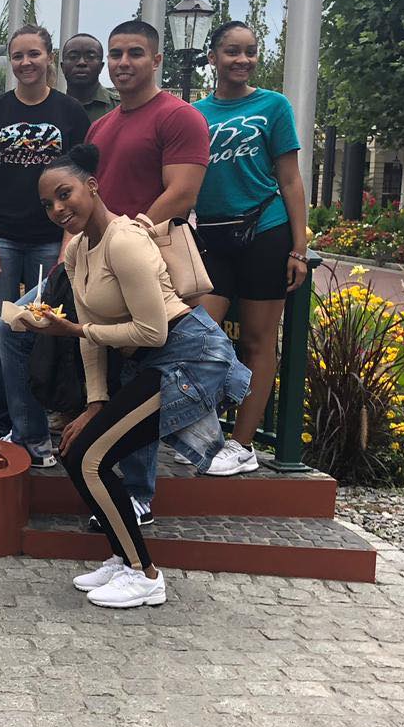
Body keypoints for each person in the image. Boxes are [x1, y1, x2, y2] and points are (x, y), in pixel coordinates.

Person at [26, 144, 249, 609]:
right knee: (77, 450)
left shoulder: (124, 242)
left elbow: (151, 330)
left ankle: (143, 575)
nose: (57, 209)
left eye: (65, 194)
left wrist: (74, 329)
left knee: (90, 458)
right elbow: (91, 338)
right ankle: (122, 555)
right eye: (47, 204)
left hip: (189, 355)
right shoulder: (78, 251)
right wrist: (95, 405)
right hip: (153, 360)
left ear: (92, 186)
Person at [83, 20, 212, 521]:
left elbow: (182, 191)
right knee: (19, 331)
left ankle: (136, 493)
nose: (123, 62)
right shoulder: (101, 127)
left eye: (135, 53)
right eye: (116, 54)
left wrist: (129, 238)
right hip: (98, 263)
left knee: (139, 370)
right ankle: (50, 445)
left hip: (148, 264)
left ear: (156, 60)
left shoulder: (179, 117)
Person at [192, 21, 310, 476]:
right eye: (232, 51)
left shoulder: (273, 106)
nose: (242, 60)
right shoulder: (194, 114)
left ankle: (242, 444)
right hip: (212, 235)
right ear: (213, 58)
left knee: (258, 341)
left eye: (250, 51)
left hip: (265, 229)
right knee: (199, 335)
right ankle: (202, 430)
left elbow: (290, 179)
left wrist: (299, 249)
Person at [0, 25, 91, 446]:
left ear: (48, 57)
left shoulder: (70, 112)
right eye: (17, 56)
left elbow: (82, 180)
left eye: (33, 54)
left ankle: (35, 422)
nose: (25, 63)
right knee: (0, 331)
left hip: (52, 236)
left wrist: (69, 242)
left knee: (42, 329)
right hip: (1, 234)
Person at [60, 34, 121, 123]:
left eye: (90, 57)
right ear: (62, 67)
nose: (81, 63)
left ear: (101, 66)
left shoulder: (121, 107)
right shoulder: (50, 108)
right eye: (73, 57)